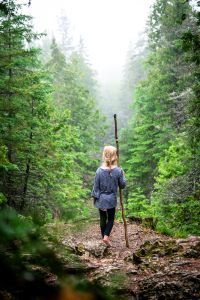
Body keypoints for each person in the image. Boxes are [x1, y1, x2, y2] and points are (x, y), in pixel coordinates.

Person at [91, 145, 126, 246]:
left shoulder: (99, 171)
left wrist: (94, 198)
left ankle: (104, 238)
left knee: (102, 219)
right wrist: (123, 174)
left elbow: (95, 187)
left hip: (101, 199)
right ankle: (106, 237)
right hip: (111, 200)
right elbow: (122, 185)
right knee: (110, 219)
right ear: (115, 156)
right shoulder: (118, 171)